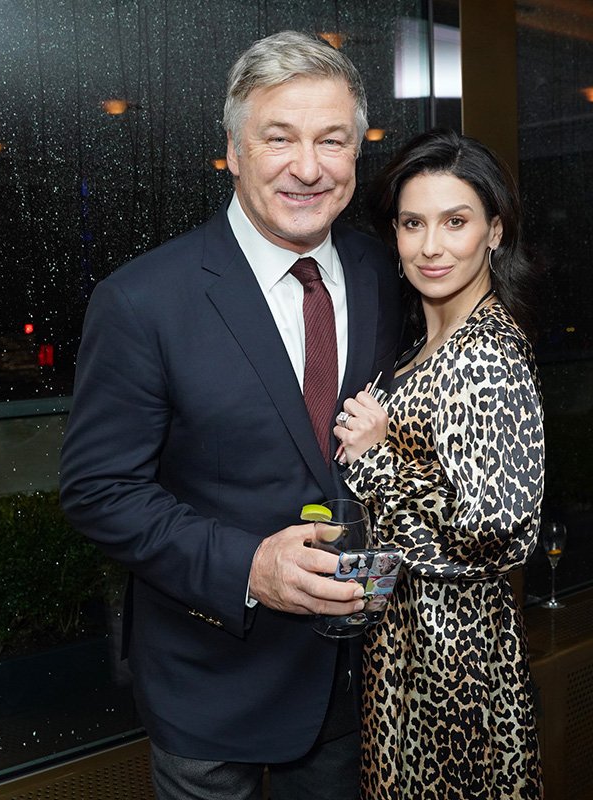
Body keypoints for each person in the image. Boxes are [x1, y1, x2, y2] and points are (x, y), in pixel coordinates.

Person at [59, 30, 400, 800]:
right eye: (279, 138)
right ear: (234, 150)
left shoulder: (383, 271)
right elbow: (99, 491)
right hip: (210, 682)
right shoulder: (142, 300)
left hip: (351, 684)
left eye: (332, 141)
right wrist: (246, 568)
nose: (308, 168)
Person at [333, 129, 545, 799]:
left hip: (456, 665)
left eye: (456, 221)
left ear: (494, 231)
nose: (431, 246)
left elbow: (492, 531)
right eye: (412, 223)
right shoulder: (424, 347)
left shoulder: (486, 357)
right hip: (407, 646)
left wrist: (374, 464)